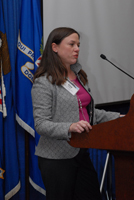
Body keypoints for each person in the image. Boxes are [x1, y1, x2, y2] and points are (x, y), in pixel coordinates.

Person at [31, 27, 120, 200]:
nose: (77, 48)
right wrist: (70, 127)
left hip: (80, 152)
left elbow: (89, 113)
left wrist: (122, 118)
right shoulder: (44, 82)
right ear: (55, 47)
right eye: (71, 44)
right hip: (56, 158)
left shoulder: (79, 75)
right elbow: (41, 124)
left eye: (78, 44)